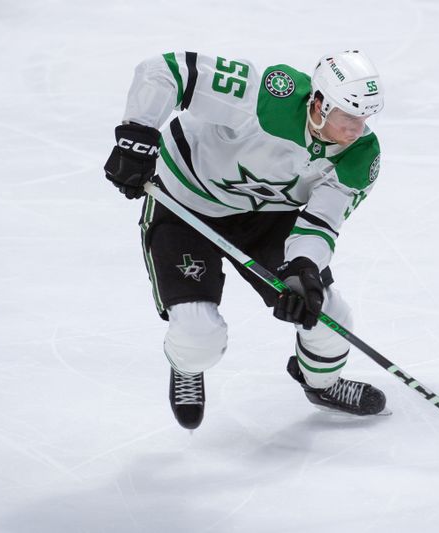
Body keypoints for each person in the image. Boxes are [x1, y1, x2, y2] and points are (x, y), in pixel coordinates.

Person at [104, 49, 387, 430]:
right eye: (348, 116)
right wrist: (136, 138)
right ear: (318, 103)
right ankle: (187, 366)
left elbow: (321, 223)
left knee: (331, 316)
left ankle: (321, 384)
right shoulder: (266, 97)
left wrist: (302, 268)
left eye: (364, 117)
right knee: (197, 336)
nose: (356, 129)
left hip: (267, 217)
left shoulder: (360, 156)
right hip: (185, 202)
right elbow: (166, 71)